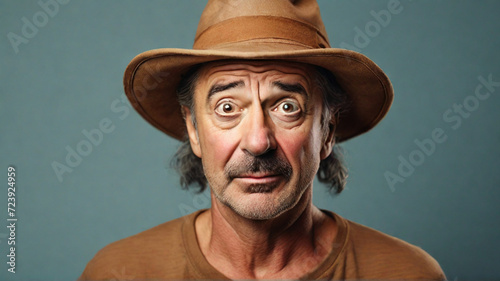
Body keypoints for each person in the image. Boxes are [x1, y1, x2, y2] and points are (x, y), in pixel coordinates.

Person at [79, 0, 446, 280]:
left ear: (327, 131)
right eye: (227, 107)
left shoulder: (407, 273)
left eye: (287, 106)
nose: (258, 141)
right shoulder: (119, 272)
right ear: (193, 129)